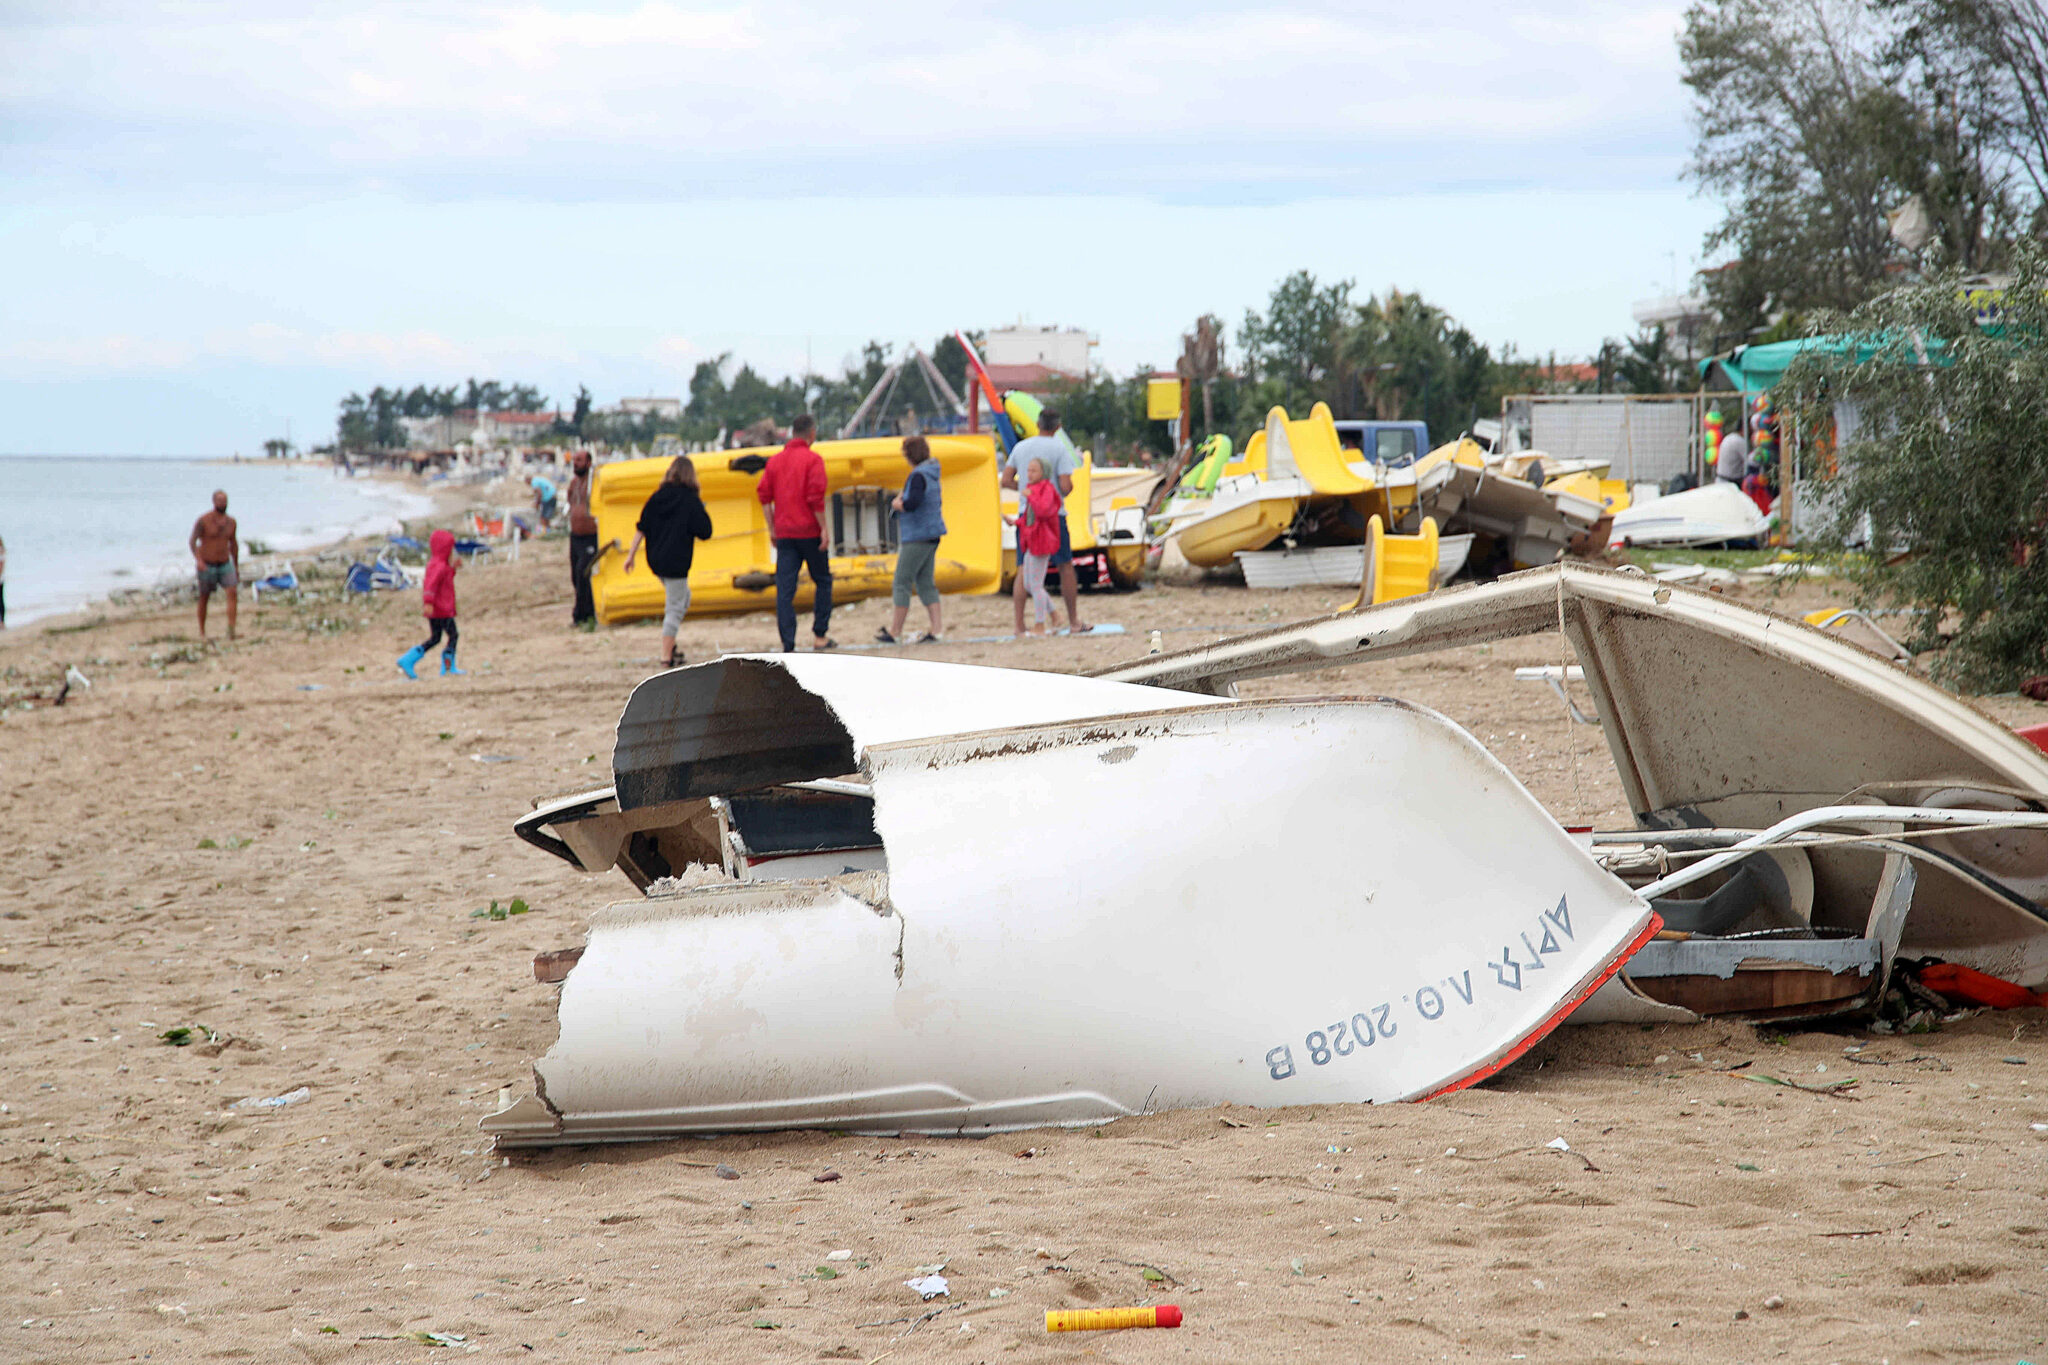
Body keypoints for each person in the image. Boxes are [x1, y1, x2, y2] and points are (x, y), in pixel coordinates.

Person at [1000, 408, 1088, 634]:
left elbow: (1006, 480)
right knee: (1065, 566)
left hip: (1026, 515)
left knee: (1023, 568)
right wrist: (1052, 492)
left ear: (1037, 424)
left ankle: (1019, 625)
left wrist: (1026, 489)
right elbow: (1065, 486)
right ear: (1058, 427)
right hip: (1052, 517)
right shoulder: (1059, 448)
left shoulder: (1020, 447)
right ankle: (1073, 621)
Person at [622, 456, 714, 668]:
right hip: (676, 562)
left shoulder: (657, 497)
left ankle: (671, 647)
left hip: (656, 561)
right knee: (675, 608)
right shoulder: (690, 500)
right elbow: (705, 531)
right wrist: (701, 508)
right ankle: (666, 656)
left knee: (683, 598)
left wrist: (630, 556)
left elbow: (641, 528)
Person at [757, 413, 835, 651]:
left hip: (785, 533)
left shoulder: (774, 462)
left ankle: (788, 643)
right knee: (822, 580)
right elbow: (815, 499)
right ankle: (820, 635)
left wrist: (772, 528)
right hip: (809, 531)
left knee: (785, 589)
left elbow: (764, 497)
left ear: (792, 433)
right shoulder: (813, 460)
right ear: (812, 434)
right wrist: (824, 528)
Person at [878, 436, 945, 644]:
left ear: (911, 455)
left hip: (917, 535)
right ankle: (937, 629)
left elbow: (913, 502)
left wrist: (898, 504)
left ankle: (895, 631)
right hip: (932, 534)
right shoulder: (932, 473)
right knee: (925, 582)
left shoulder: (918, 476)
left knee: (901, 581)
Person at [397, 529, 464, 679]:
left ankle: (408, 660)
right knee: (453, 635)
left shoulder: (440, 565)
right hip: (441, 609)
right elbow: (430, 585)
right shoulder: (438, 566)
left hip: (439, 609)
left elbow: (446, 578)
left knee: (436, 638)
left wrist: (454, 568)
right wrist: (428, 602)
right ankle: (448, 667)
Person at [1007, 457, 1062, 637]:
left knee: (1036, 585)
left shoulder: (1047, 489)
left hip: (1042, 542)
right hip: (1032, 542)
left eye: (1034, 471)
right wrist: (1015, 522)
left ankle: (1040, 624)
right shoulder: (1034, 490)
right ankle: (1055, 615)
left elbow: (1044, 511)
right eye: (1028, 470)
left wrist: (1031, 496)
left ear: (1043, 472)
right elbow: (1029, 518)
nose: (1029, 474)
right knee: (1029, 584)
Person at [189, 489, 240, 642]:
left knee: (232, 592)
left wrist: (236, 565)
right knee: (204, 596)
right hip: (207, 563)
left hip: (224, 562)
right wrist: (199, 560)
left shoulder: (231, 522)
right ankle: (202, 631)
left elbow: (233, 544)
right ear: (214, 502)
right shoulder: (204, 520)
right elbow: (193, 541)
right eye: (220, 501)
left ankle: (231, 629)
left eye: (225, 501)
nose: (223, 503)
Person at [565, 451, 599, 626]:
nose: (575, 463)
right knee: (575, 576)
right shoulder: (574, 483)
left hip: (590, 536)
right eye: (574, 460)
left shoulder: (594, 483)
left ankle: (582, 615)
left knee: (583, 572)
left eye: (579, 460)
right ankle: (585, 611)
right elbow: (570, 502)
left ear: (588, 463)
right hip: (575, 537)